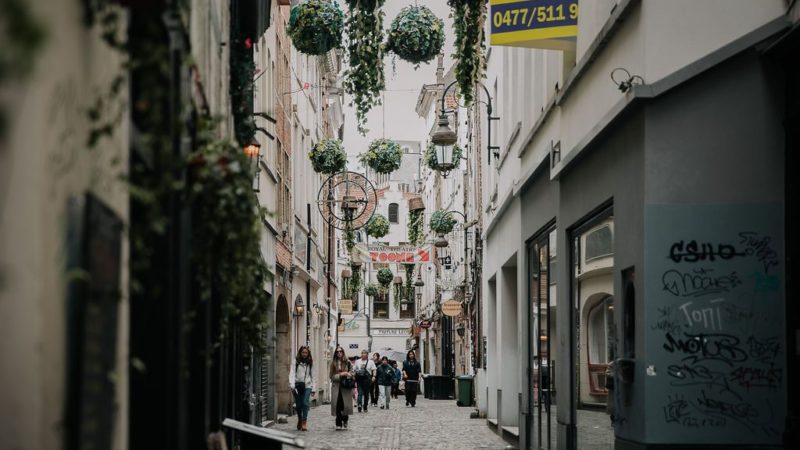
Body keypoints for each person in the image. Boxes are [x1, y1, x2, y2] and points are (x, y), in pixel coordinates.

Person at [288, 346, 315, 431]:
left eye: (306, 352)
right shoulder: (295, 361)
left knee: (305, 403)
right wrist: (292, 384)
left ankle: (304, 422)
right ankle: (299, 419)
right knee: (299, 405)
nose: (304, 354)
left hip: (307, 385)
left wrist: (313, 388)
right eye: (303, 352)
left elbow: (313, 376)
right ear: (300, 353)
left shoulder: (310, 362)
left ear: (308, 353)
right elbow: (292, 373)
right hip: (297, 386)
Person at [329, 346, 355, 429]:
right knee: (337, 405)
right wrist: (340, 375)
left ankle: (345, 419)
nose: (339, 353)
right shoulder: (333, 363)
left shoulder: (348, 362)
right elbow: (331, 376)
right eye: (337, 352)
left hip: (346, 386)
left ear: (343, 352)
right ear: (335, 353)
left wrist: (348, 374)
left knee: (345, 404)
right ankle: (338, 423)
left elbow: (353, 372)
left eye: (340, 351)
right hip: (336, 386)